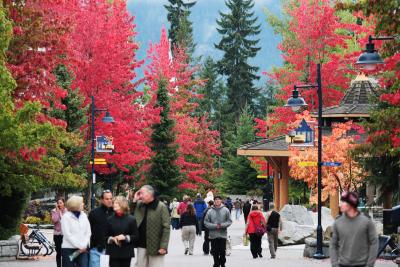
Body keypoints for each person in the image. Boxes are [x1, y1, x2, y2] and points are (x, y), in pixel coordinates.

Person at [330, 191, 378, 267]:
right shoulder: (338, 222)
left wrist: (369, 265)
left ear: (350, 204)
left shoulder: (367, 221)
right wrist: (335, 264)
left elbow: (374, 242)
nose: (340, 204)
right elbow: (333, 245)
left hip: (362, 264)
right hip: (343, 264)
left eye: (343, 202)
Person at [131, 185, 170, 267]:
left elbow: (166, 228)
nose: (140, 195)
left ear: (150, 194)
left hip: (156, 246)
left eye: (142, 193)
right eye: (139, 193)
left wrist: (163, 247)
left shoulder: (161, 207)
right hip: (141, 245)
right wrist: (134, 200)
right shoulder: (139, 205)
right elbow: (130, 217)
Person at [106, 196, 138, 267]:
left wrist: (125, 237)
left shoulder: (131, 219)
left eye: (116, 203)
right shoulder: (109, 219)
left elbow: (136, 236)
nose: (114, 204)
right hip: (114, 253)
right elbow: (105, 236)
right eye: (114, 203)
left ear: (122, 204)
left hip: (126, 253)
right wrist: (112, 238)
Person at [61, 196, 91, 267]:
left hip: (83, 249)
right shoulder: (66, 217)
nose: (83, 204)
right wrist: (79, 245)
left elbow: (88, 232)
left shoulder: (84, 215)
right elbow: (67, 235)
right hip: (69, 249)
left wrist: (84, 244)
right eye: (81, 203)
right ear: (76, 204)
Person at [204, 196, 232, 267]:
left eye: (218, 200)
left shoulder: (226, 210)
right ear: (214, 201)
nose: (217, 201)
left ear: (221, 201)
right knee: (215, 251)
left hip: (222, 234)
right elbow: (206, 222)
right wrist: (215, 226)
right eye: (215, 200)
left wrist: (221, 225)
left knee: (222, 251)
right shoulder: (210, 211)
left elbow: (229, 221)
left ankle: (222, 262)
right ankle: (216, 263)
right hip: (213, 235)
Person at [88, 190, 114, 267]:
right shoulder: (94, 213)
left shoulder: (115, 212)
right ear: (102, 200)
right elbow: (88, 230)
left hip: (112, 250)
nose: (109, 200)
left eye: (110, 198)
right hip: (96, 250)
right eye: (107, 199)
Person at [51, 197, 67, 267]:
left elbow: (65, 220)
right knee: (59, 252)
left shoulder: (67, 211)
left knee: (64, 252)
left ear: (64, 203)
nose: (59, 204)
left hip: (65, 235)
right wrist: (57, 211)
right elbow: (55, 220)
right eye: (58, 203)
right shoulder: (54, 211)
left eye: (61, 203)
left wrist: (61, 213)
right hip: (57, 234)